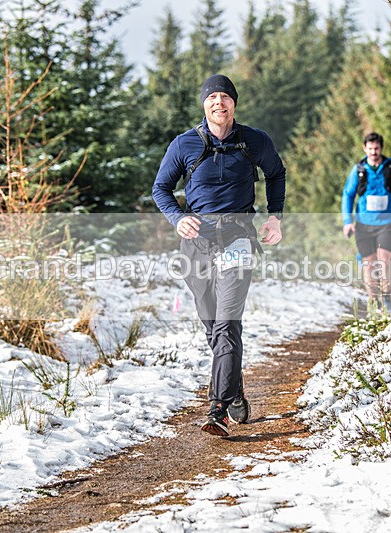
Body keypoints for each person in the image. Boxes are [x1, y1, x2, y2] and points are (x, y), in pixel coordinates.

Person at [152, 74, 286, 437]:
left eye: (225, 97)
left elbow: (276, 174)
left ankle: (218, 408)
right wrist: (178, 219)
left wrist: (275, 215)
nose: (219, 103)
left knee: (227, 323)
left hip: (238, 239)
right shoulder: (184, 145)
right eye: (212, 97)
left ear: (234, 104)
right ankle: (234, 383)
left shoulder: (254, 141)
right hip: (196, 244)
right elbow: (161, 188)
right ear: (204, 104)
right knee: (212, 325)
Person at [341, 132, 391, 312]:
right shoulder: (359, 170)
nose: (374, 152)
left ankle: (387, 298)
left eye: (377, 148)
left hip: (387, 223)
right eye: (370, 149)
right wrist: (347, 221)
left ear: (381, 148)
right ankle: (374, 301)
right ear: (365, 148)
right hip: (364, 224)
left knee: (384, 260)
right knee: (369, 264)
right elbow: (347, 195)